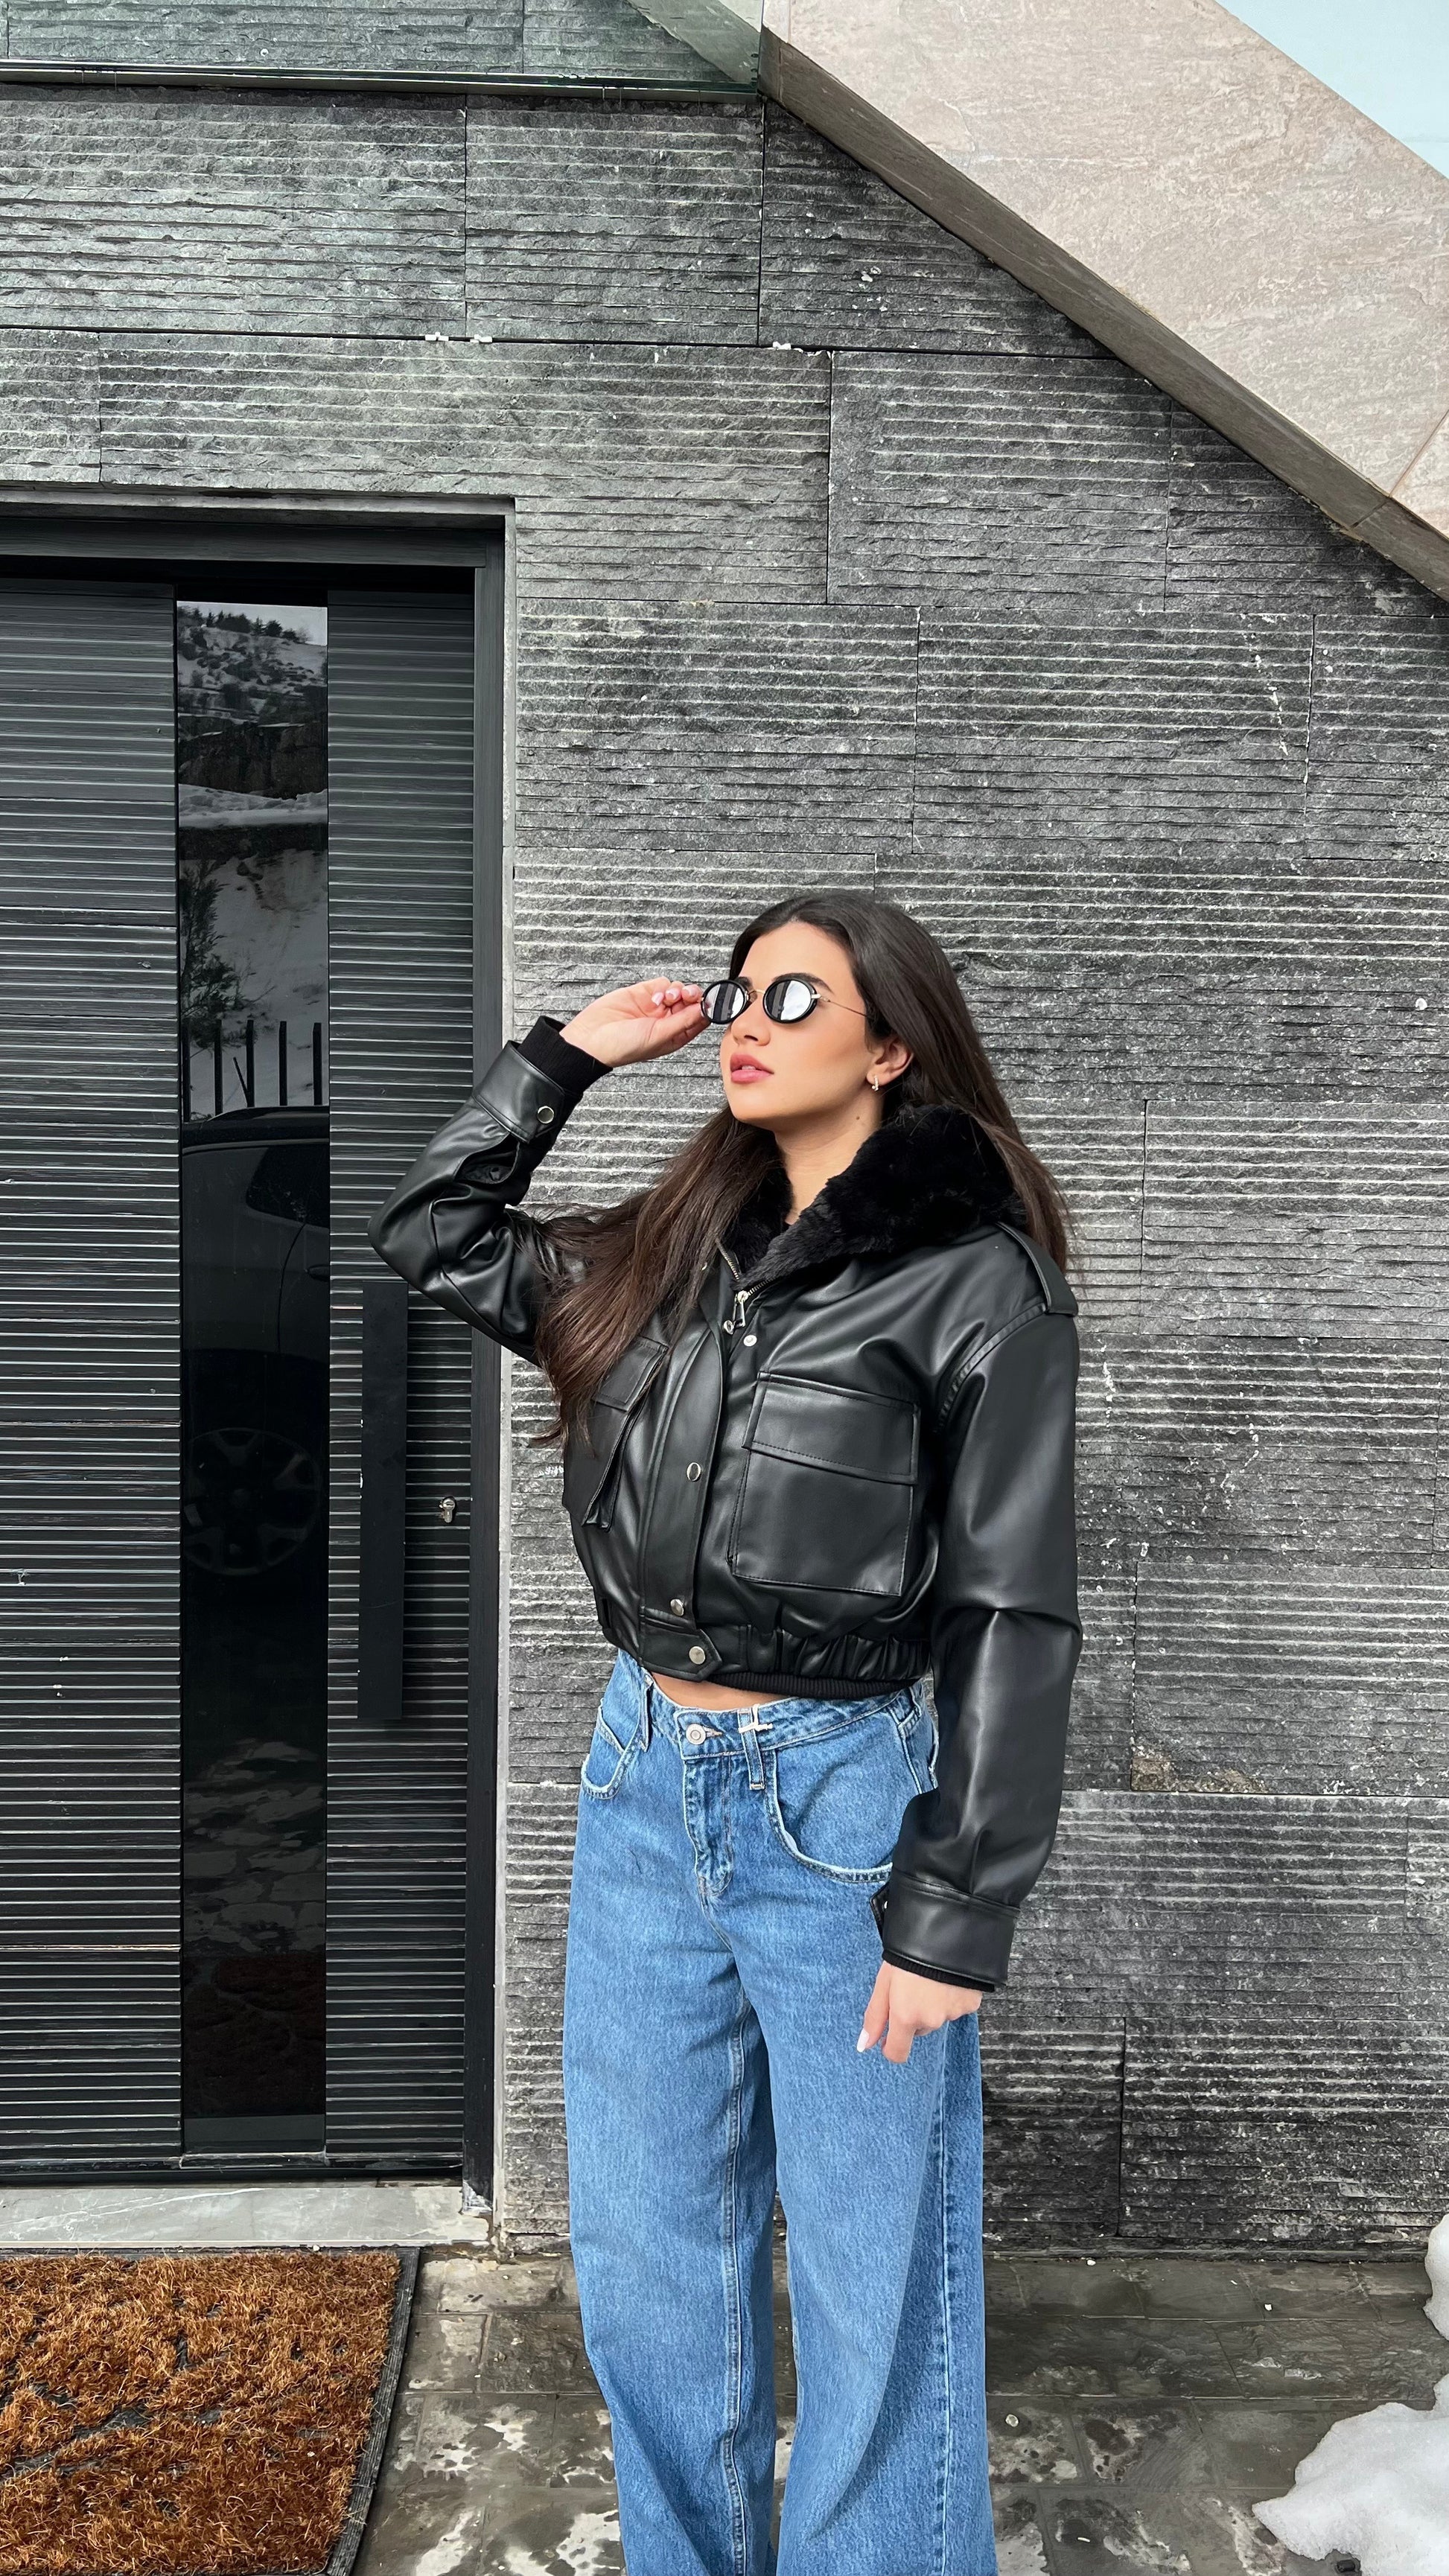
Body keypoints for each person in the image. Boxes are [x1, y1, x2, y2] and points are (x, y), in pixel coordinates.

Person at [368, 890, 1082, 2576]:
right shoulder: (668, 1252)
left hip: (840, 1806)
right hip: (640, 1781)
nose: (748, 1021)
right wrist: (563, 1057)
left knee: (871, 2275)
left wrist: (953, 1905)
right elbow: (432, 1227)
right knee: (649, 2261)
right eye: (741, 989)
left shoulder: (976, 1283)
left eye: (796, 996)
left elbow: (1011, 1607)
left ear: (890, 1047)